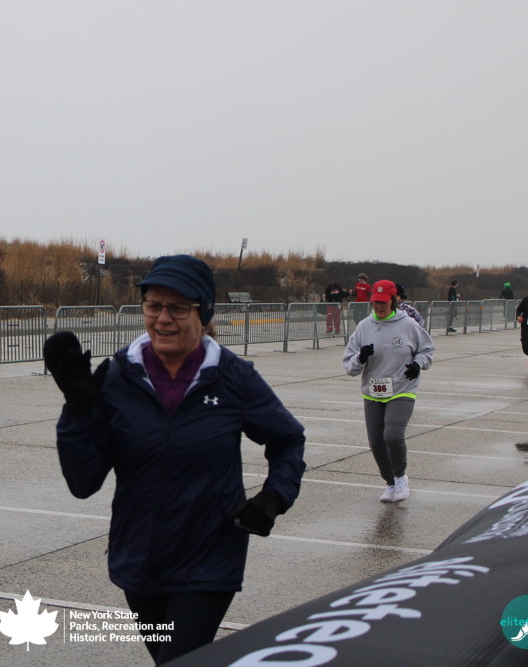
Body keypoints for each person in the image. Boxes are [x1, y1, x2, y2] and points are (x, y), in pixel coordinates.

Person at [44, 255, 306, 664]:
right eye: (154, 306)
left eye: (178, 308)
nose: (163, 319)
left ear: (203, 313)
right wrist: (78, 410)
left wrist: (273, 498)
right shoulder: (118, 377)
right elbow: (83, 482)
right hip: (139, 560)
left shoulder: (233, 378)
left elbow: (288, 440)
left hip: (208, 557)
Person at [343, 280, 434, 503]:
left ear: (393, 301)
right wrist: (361, 357)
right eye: (375, 302)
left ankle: (401, 477)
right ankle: (391, 482)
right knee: (376, 442)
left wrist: (418, 364)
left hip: (402, 388)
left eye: (383, 303)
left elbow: (427, 350)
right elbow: (350, 367)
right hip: (373, 391)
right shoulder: (364, 327)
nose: (379, 307)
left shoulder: (409, 325)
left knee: (392, 435)